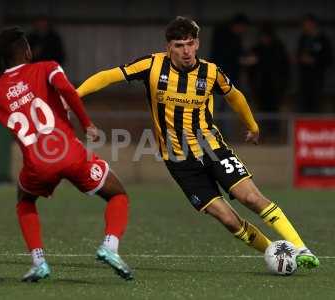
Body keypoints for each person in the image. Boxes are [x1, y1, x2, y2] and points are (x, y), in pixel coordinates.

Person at [77, 16, 319, 269]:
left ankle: (302, 249)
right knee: (227, 219)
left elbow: (234, 96)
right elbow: (107, 76)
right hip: (179, 160)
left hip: (212, 149)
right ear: (168, 47)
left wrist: (252, 125)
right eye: (180, 45)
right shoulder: (151, 65)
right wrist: (75, 95)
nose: (186, 51)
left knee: (250, 198)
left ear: (198, 43)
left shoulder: (211, 72)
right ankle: (274, 251)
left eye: (190, 44)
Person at [0, 27, 133, 281]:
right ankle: (110, 246)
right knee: (118, 194)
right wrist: (87, 124)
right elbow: (68, 91)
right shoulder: (47, 67)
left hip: (37, 166)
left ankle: (39, 262)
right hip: (70, 153)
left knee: (25, 202)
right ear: (27, 51)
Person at [297, 14, 333, 113]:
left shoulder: (323, 39)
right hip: (304, 79)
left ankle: (315, 126)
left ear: (313, 24)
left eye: (307, 24)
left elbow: (328, 59)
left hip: (317, 78)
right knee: (303, 104)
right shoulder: (303, 38)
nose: (305, 27)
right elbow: (298, 54)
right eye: (304, 25)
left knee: (316, 104)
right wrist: (301, 59)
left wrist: (314, 61)